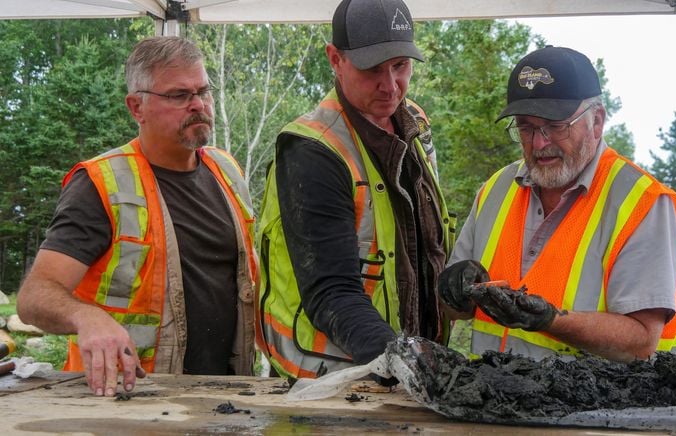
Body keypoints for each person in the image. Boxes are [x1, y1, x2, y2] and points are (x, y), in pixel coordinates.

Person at [17, 36, 259, 396]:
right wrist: (86, 317)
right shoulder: (100, 184)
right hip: (128, 397)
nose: (198, 105)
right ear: (136, 107)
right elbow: (34, 297)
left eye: (203, 91)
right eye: (179, 95)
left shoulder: (226, 170)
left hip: (224, 391)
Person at [438, 46, 676, 363]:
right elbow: (452, 311)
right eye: (525, 127)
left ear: (597, 121)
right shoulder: (495, 190)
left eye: (556, 126)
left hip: (596, 411)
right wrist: (453, 292)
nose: (539, 143)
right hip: (489, 405)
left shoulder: (643, 205)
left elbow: (640, 341)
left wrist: (551, 321)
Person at [256, 0, 455, 380]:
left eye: (400, 66)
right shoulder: (313, 150)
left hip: (406, 357)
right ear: (335, 58)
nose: (390, 85)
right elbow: (330, 291)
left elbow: (424, 243)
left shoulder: (415, 122)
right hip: (336, 377)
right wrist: (404, 359)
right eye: (372, 69)